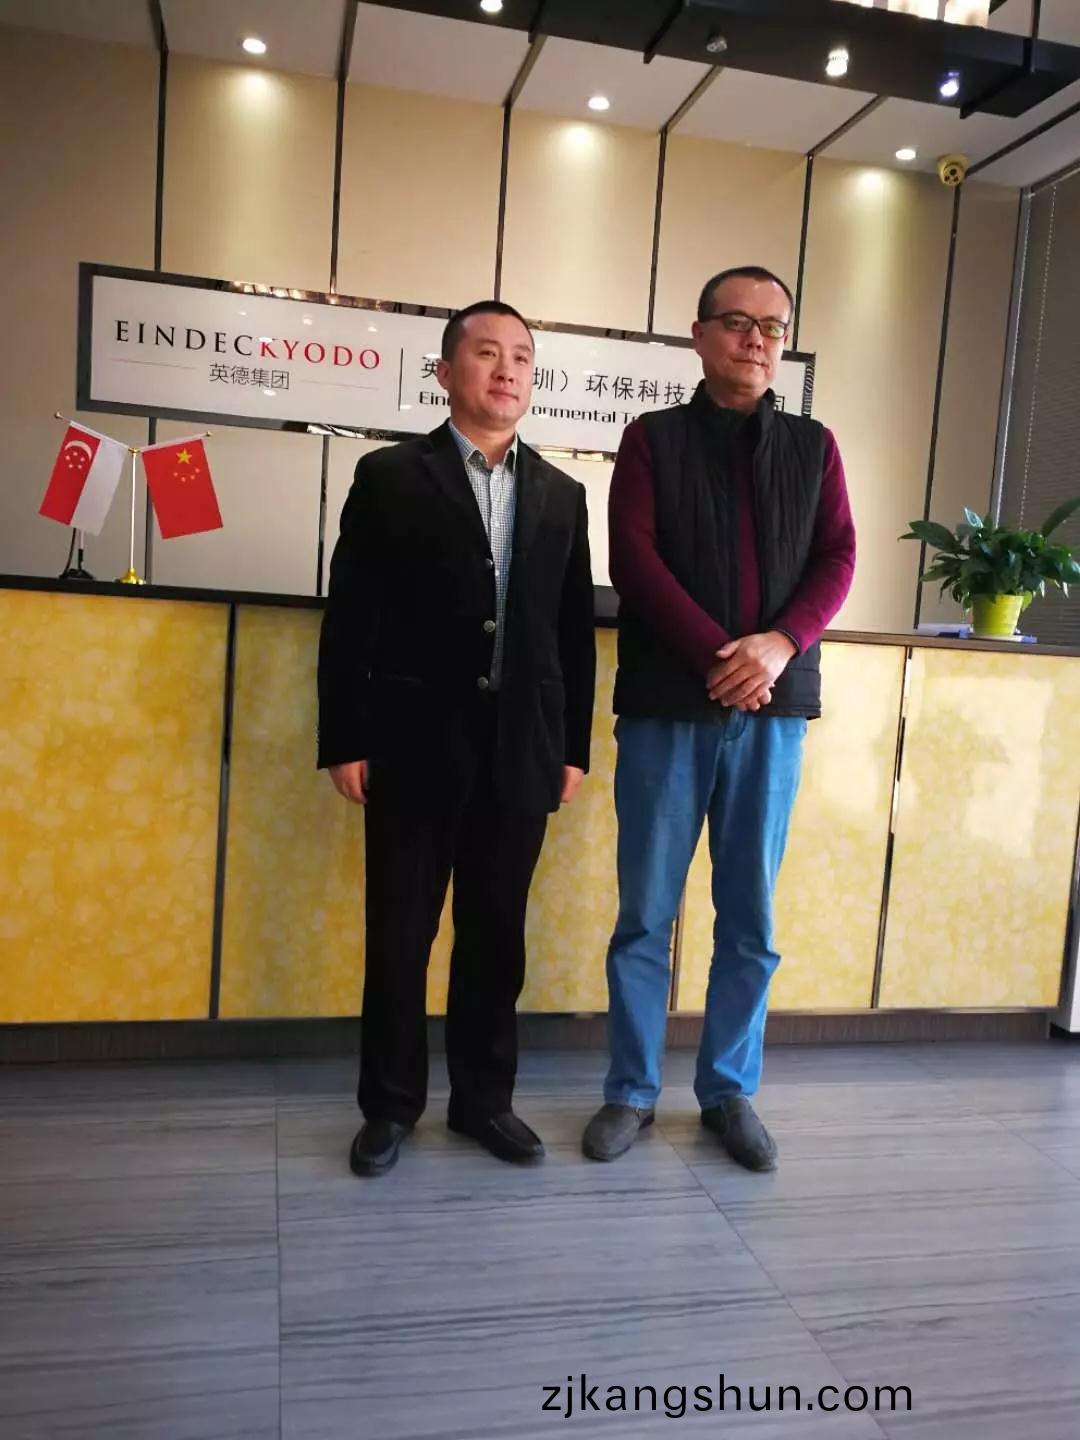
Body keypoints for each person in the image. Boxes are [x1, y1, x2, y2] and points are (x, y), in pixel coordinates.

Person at [582, 266, 856, 1171]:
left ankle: (729, 1091)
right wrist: (718, 655)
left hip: (774, 712)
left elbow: (838, 557)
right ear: (699, 336)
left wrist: (778, 645)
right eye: (737, 322)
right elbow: (634, 561)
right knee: (645, 915)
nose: (755, 340)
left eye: (772, 327)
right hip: (669, 706)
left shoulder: (814, 447)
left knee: (750, 920)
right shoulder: (651, 439)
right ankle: (630, 1091)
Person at [318, 300, 596, 1176]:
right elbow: (351, 618)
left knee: (496, 936)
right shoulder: (390, 476)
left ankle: (485, 1103)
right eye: (486, 353)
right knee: (400, 935)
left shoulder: (563, 495)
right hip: (412, 745)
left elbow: (573, 634)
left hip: (521, 752)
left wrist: (573, 746)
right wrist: (344, 737)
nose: (507, 370)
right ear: (445, 372)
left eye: (522, 357)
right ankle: (390, 1106)